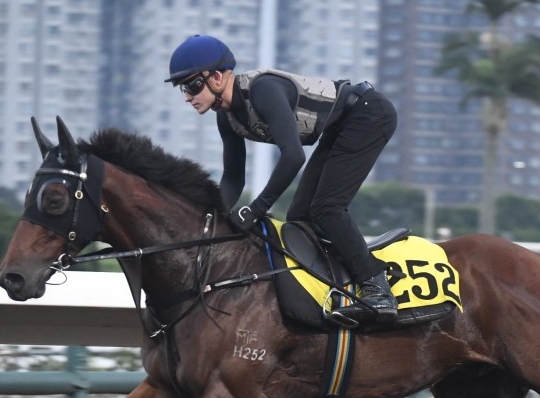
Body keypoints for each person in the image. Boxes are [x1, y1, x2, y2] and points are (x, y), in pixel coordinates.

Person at [165, 34, 398, 325]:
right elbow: (232, 178)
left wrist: (255, 208)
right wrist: (209, 219)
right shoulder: (225, 118)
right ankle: (339, 284)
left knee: (327, 208)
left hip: (369, 114)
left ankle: (377, 287)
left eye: (191, 85)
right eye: (183, 89)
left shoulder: (263, 90)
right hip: (341, 126)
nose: (187, 96)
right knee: (299, 216)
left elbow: (293, 157)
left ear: (216, 77)